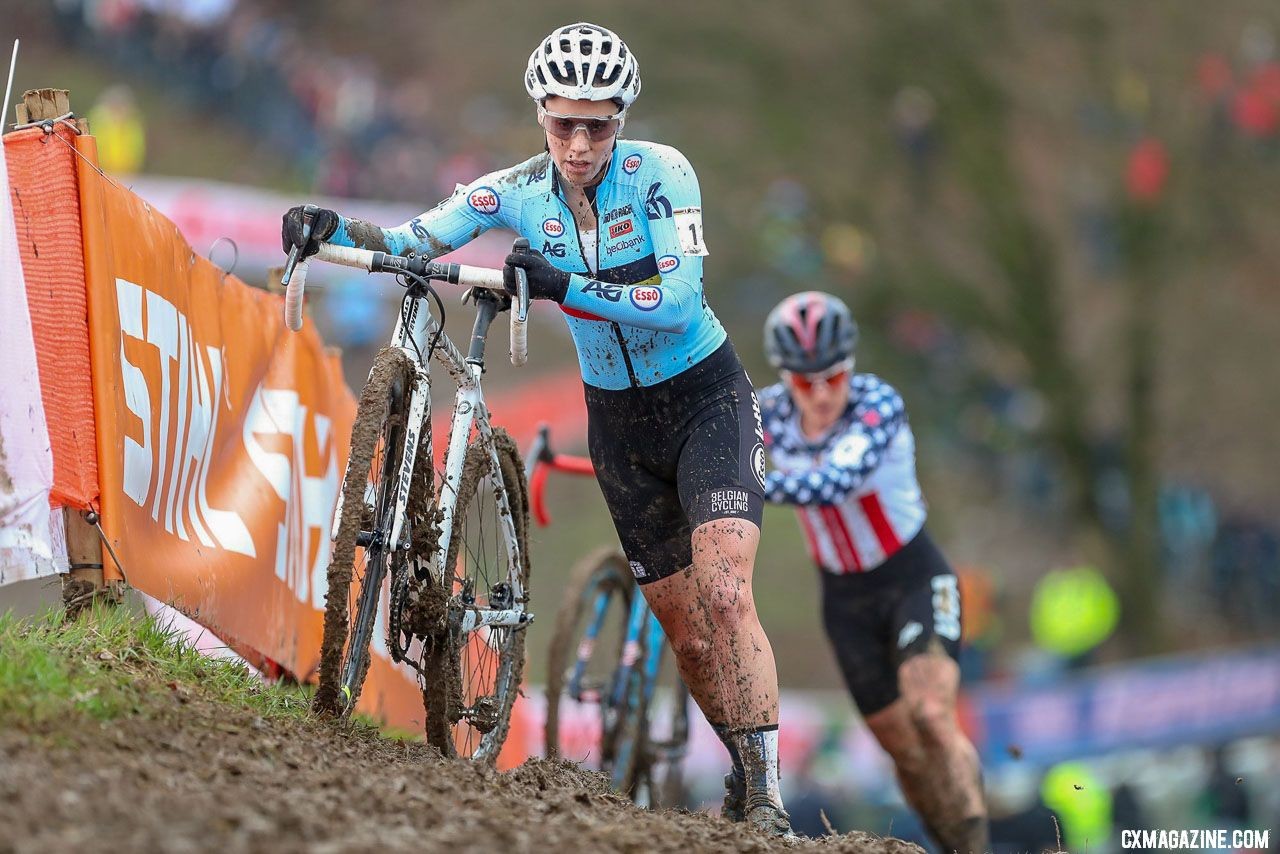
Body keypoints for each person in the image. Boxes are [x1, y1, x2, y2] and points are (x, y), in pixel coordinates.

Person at [281, 23, 792, 836]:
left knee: (725, 589)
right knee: (690, 639)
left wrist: (566, 285)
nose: (582, 143)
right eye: (564, 124)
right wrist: (328, 227)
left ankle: (768, 796)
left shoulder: (664, 176)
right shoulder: (512, 191)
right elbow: (416, 239)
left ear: (621, 118)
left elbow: (681, 300)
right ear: (541, 115)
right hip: (619, 421)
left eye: (598, 124)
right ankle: (742, 760)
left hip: (705, 399)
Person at [757, 291, 988, 852]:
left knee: (931, 715)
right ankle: (947, 841)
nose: (820, 395)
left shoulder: (877, 404)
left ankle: (979, 839)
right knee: (903, 748)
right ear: (784, 377)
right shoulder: (762, 413)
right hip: (844, 600)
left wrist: (741, 483)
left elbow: (832, 481)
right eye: (804, 382)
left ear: (850, 368)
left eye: (832, 379)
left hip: (913, 578)